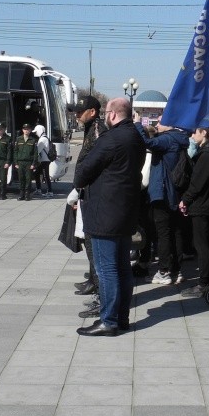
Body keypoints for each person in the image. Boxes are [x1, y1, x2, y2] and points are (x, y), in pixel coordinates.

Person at [73, 96, 145, 336]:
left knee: (107, 269)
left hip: (105, 213)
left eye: (106, 112)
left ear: (113, 114)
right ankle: (121, 318)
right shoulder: (135, 136)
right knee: (123, 268)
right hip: (125, 212)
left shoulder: (111, 139)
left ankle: (109, 320)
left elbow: (82, 173)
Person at [136, 119, 191, 286]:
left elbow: (146, 141)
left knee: (163, 233)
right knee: (175, 232)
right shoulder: (179, 139)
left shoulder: (167, 139)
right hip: (173, 192)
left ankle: (163, 271)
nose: (158, 125)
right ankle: (176, 270)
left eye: (161, 123)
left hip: (162, 192)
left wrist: (138, 125)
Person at [179, 125, 209, 297]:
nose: (192, 135)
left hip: (203, 205)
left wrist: (186, 199)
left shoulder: (208, 153)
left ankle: (203, 283)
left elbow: (198, 182)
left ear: (203, 133)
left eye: (195, 132)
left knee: (202, 245)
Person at [73, 95, 107, 297]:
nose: (77, 115)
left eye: (80, 111)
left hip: (92, 193)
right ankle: (94, 279)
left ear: (92, 112)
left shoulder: (97, 130)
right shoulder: (90, 128)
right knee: (87, 238)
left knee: (92, 239)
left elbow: (94, 164)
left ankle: (98, 284)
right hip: (85, 191)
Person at [13, 123, 37, 201]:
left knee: (28, 179)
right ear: (23, 130)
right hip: (20, 163)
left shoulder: (33, 140)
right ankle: (21, 194)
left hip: (29, 163)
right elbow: (15, 151)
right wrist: (16, 163)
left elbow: (35, 153)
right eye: (25, 129)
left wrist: (33, 164)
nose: (26, 131)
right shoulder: (18, 139)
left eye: (28, 129)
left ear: (30, 130)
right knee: (21, 179)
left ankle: (27, 195)